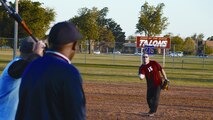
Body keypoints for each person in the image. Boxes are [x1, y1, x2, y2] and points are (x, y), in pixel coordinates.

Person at [15, 21, 86, 120]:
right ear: (74, 45)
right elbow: (77, 115)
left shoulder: (31, 66)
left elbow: (21, 111)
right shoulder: (69, 72)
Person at [0, 37, 45, 120]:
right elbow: (28, 66)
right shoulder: (16, 66)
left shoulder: (18, 64)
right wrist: (37, 54)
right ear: (33, 52)